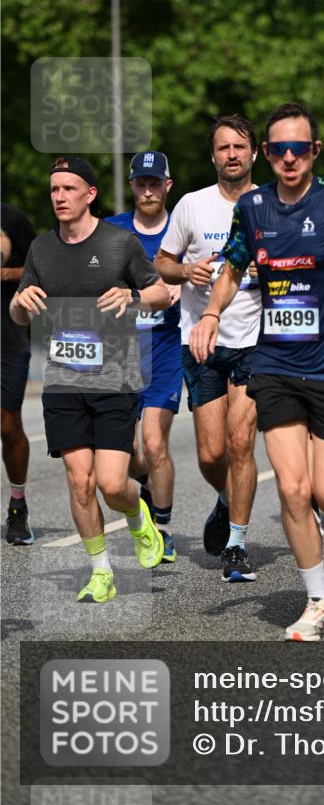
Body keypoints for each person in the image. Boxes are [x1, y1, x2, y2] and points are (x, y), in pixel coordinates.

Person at [190, 103, 324, 640]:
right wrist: (211, 313)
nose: (287, 158)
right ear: (265, 153)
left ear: (314, 151)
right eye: (277, 149)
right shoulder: (254, 208)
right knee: (292, 488)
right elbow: (233, 265)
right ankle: (318, 602)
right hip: (274, 363)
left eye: (297, 149)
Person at [10, 157, 170, 602]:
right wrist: (22, 303)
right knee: (79, 481)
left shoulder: (120, 244)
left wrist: (134, 294)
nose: (59, 197)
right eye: (54, 190)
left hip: (114, 379)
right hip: (64, 381)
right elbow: (18, 310)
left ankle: (138, 515)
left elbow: (160, 293)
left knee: (111, 483)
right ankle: (101, 571)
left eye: (68, 188)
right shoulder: (41, 249)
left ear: (90, 194)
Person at [156, 115, 262, 582]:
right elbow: (163, 261)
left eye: (239, 146)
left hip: (257, 338)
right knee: (209, 454)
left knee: (242, 443)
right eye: (223, 148)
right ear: (213, 156)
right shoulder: (192, 206)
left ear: (255, 152)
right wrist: (187, 272)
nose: (232, 155)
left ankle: (237, 544)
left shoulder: (272, 204)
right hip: (200, 339)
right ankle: (225, 500)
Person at [107, 152, 182, 561]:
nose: (148, 190)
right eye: (141, 183)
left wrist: (182, 289)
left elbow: (204, 276)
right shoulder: (111, 230)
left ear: (168, 185)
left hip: (165, 347)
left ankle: (163, 527)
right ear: (133, 186)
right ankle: (149, 491)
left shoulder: (180, 229)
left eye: (156, 183)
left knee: (154, 443)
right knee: (130, 454)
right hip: (121, 352)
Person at [1, 203, 36, 544]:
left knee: (8, 425)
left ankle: (17, 504)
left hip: (8, 339)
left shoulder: (13, 219)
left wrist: (9, 274)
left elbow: (38, 270)